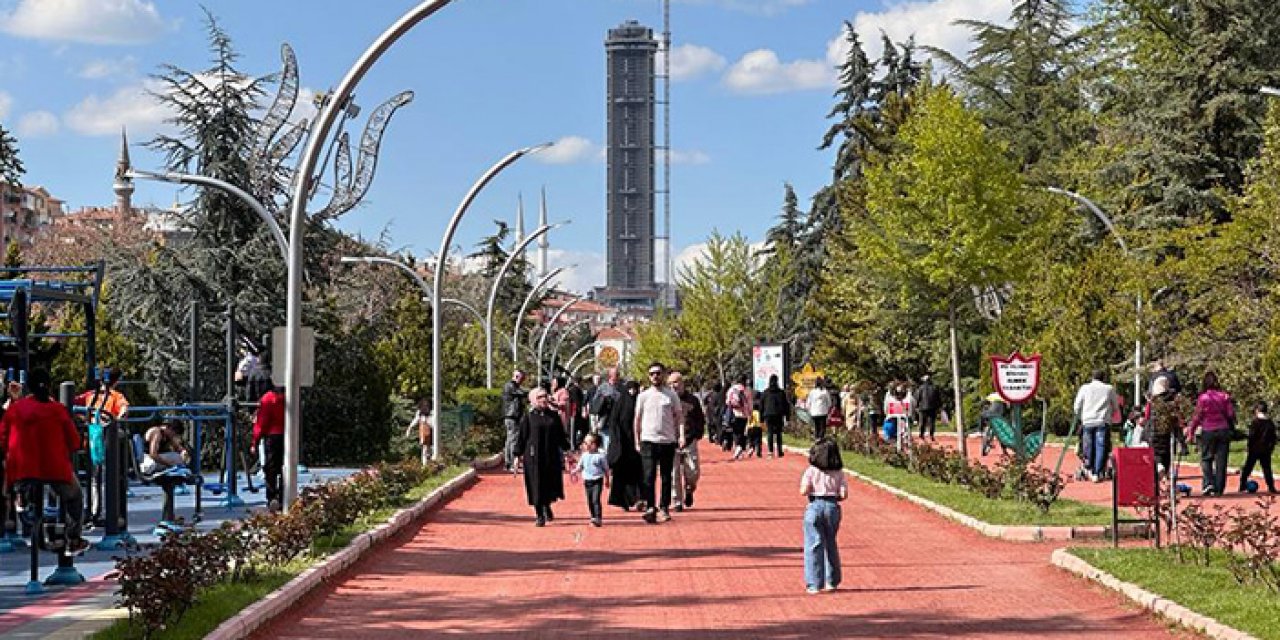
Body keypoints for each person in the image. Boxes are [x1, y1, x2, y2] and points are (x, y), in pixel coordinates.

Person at [0, 368, 90, 555]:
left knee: (15, 478)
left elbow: (3, 437)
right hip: (54, 468)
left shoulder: (16, 409)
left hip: (22, 469)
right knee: (75, 495)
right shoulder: (57, 409)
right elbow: (74, 442)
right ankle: (73, 538)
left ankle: (21, 497)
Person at [634, 362, 683, 524]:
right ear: (649, 377)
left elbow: (679, 417)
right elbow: (637, 419)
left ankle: (664, 507)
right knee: (648, 476)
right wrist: (637, 439)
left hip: (667, 441)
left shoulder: (671, 395)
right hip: (648, 440)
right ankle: (650, 506)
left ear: (663, 375)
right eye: (652, 373)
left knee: (666, 476)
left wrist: (680, 435)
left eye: (658, 373)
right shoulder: (643, 396)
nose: (655, 376)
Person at [79, 367, 130, 526]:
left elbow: (71, 404)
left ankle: (94, 511)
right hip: (109, 441)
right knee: (111, 477)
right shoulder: (116, 396)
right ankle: (110, 513)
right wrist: (116, 421)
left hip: (93, 440)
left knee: (94, 477)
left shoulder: (89, 396)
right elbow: (124, 409)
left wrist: (83, 419)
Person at [515, 386, 569, 526]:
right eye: (539, 397)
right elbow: (521, 437)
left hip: (550, 456)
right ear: (533, 400)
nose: (543, 399)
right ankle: (539, 514)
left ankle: (547, 506)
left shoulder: (553, 416)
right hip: (533, 457)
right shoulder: (528, 417)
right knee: (536, 485)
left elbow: (561, 436)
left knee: (549, 483)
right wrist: (517, 455)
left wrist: (567, 451)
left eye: (545, 396)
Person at [800, 437, 847, 594]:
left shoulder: (811, 471)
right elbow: (844, 494)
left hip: (815, 505)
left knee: (814, 543)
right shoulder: (839, 473)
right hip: (832, 507)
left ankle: (814, 583)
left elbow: (803, 490)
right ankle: (832, 580)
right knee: (830, 543)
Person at [1187, 370, 1235, 496]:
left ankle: (1209, 483)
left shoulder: (1203, 398)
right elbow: (1230, 414)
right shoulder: (1225, 397)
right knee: (1221, 461)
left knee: (1206, 458)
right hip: (1223, 429)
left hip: (1208, 430)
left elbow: (1197, 416)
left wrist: (1191, 432)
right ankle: (1219, 488)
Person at [1073, 370, 1118, 482]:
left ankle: (1089, 466)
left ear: (1092, 377)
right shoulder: (1109, 389)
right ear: (1103, 378)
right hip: (1102, 420)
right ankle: (1097, 472)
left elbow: (1077, 406)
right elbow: (1115, 406)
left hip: (1087, 420)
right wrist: (1110, 415)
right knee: (1101, 446)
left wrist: (1080, 417)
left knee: (1088, 446)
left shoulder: (1085, 388)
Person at [142, 420, 192, 522]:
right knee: (177, 458)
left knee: (179, 457)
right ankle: (180, 473)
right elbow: (153, 454)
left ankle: (169, 515)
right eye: (174, 433)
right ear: (169, 429)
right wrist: (169, 464)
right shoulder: (157, 432)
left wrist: (183, 451)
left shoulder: (167, 434)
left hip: (154, 462)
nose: (174, 436)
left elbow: (178, 447)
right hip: (148, 463)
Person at [670, 371, 704, 511]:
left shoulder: (692, 400)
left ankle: (689, 489)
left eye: (676, 382)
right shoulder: (667, 399)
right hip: (671, 440)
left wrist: (697, 434)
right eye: (670, 383)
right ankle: (677, 500)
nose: (673, 386)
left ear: (682, 383)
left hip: (690, 440)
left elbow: (700, 419)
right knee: (674, 473)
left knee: (693, 471)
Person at [607, 381, 644, 510]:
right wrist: (617, 440)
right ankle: (623, 501)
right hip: (623, 445)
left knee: (640, 473)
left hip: (637, 444)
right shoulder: (620, 403)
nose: (632, 391)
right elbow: (614, 422)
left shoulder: (640, 402)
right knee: (622, 474)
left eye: (635, 389)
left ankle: (640, 499)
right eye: (630, 389)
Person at [1143, 376, 1189, 473]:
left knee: (1155, 458)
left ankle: (1159, 473)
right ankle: (1164, 475)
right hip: (1167, 436)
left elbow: (1147, 417)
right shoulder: (1173, 402)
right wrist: (1182, 440)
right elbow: (1178, 420)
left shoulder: (1152, 402)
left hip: (1153, 434)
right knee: (1166, 457)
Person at [251, 385, 286, 510]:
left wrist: (255, 441)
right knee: (285, 468)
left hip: (272, 436)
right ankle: (284, 496)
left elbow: (262, 423)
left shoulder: (268, 399)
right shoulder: (291, 398)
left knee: (271, 468)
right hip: (287, 436)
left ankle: (272, 496)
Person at [571, 433, 610, 526]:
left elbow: (606, 469)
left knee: (595, 499)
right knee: (589, 500)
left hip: (597, 480)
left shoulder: (600, 456)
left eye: (586, 443)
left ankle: (598, 517)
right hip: (587, 481)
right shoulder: (584, 456)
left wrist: (607, 480)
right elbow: (580, 466)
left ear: (594, 445)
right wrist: (575, 471)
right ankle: (593, 516)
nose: (584, 445)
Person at [1240, 402, 1277, 494]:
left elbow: (1251, 436)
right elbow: (1273, 437)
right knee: (1267, 468)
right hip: (1265, 450)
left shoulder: (1255, 422)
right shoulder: (1270, 423)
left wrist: (1248, 446)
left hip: (1254, 449)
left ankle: (1242, 485)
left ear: (1257, 410)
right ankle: (1271, 486)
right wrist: (1271, 448)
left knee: (1248, 467)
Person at [501, 370, 528, 472]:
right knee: (513, 440)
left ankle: (508, 463)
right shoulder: (510, 386)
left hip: (511, 416)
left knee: (510, 439)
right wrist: (534, 392)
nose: (522, 381)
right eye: (521, 378)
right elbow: (521, 393)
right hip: (512, 416)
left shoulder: (513, 386)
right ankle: (512, 463)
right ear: (516, 377)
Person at [761, 374, 790, 458]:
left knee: (769, 433)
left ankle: (770, 451)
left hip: (768, 414)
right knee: (778, 433)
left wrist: (761, 418)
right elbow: (786, 405)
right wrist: (787, 417)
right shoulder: (781, 392)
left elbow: (761, 405)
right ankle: (780, 451)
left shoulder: (765, 392)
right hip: (778, 414)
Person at [727, 375, 752, 459]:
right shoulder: (747, 390)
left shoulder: (732, 389)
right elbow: (749, 403)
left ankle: (738, 447)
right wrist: (750, 413)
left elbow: (727, 401)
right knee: (742, 432)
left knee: (735, 432)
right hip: (744, 414)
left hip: (734, 413)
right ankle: (740, 448)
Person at [405, 398, 433, 466]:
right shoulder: (420, 413)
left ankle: (430, 463)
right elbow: (415, 420)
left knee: (429, 450)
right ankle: (425, 466)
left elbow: (433, 424)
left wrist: (427, 421)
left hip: (432, 435)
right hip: (424, 434)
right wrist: (409, 428)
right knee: (425, 450)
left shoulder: (433, 413)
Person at [915, 375, 942, 441]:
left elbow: (917, 398)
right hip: (932, 408)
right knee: (932, 422)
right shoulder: (934, 388)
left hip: (922, 408)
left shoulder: (920, 388)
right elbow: (938, 398)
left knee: (922, 422)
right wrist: (939, 407)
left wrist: (917, 406)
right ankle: (931, 435)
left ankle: (921, 435)